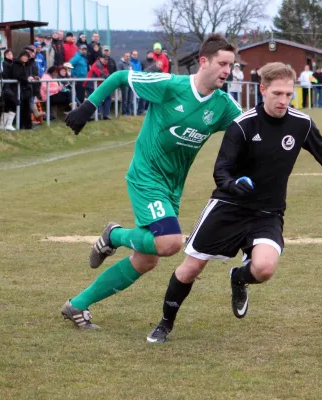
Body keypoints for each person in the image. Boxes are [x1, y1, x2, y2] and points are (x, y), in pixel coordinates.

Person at [145, 62, 322, 343]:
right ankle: (165, 323)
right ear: (262, 90)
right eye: (277, 93)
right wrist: (234, 185)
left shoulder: (301, 124)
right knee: (190, 268)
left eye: (288, 94)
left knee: (264, 269)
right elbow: (221, 171)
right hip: (229, 207)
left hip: (267, 212)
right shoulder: (242, 125)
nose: (283, 100)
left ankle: (238, 278)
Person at [61, 33, 243, 329]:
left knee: (146, 260)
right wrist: (89, 106)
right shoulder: (170, 86)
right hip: (146, 176)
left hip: (172, 187)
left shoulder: (223, 105)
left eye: (230, 65)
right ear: (203, 61)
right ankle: (114, 235)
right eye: (222, 63)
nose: (227, 70)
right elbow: (120, 76)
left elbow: (248, 129)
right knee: (169, 242)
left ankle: (77, 305)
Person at [12, 50, 35, 130]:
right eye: (24, 57)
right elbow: (17, 75)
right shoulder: (16, 64)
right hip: (19, 88)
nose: (25, 58)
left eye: (27, 57)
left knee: (27, 108)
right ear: (20, 57)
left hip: (26, 88)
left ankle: (28, 125)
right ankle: (20, 125)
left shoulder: (27, 65)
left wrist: (33, 77)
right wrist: (27, 79)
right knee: (20, 108)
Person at [85, 54, 111, 120]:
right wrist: (111, 77)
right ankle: (96, 115)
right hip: (91, 85)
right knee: (95, 100)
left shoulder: (103, 66)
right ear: (100, 59)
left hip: (97, 85)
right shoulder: (97, 64)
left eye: (107, 60)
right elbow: (101, 75)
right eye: (105, 59)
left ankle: (105, 115)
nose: (106, 61)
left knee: (108, 97)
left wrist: (109, 77)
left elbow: (106, 75)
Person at [0, 49, 18, 131]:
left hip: (12, 86)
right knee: (13, 103)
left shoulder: (13, 63)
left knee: (9, 105)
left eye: (11, 53)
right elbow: (6, 74)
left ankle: (4, 124)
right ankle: (6, 124)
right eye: (8, 54)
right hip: (7, 87)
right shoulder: (5, 64)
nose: (10, 55)